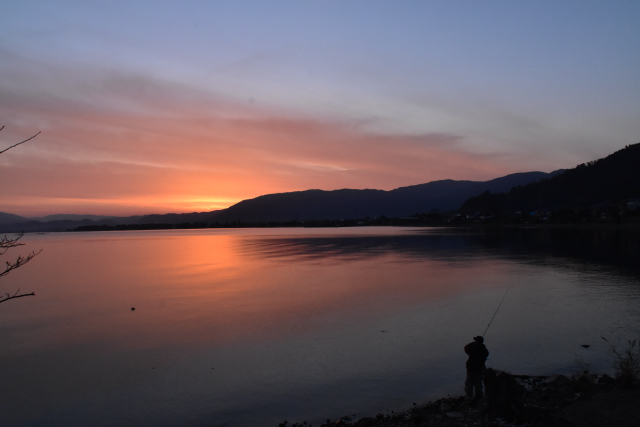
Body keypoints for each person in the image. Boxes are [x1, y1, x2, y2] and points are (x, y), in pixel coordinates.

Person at [464, 336, 489, 400]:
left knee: (469, 382)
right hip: (479, 368)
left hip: (471, 368)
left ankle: (469, 396)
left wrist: (473, 343)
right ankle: (479, 396)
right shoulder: (483, 349)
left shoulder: (473, 348)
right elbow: (486, 354)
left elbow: (466, 348)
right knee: (478, 382)